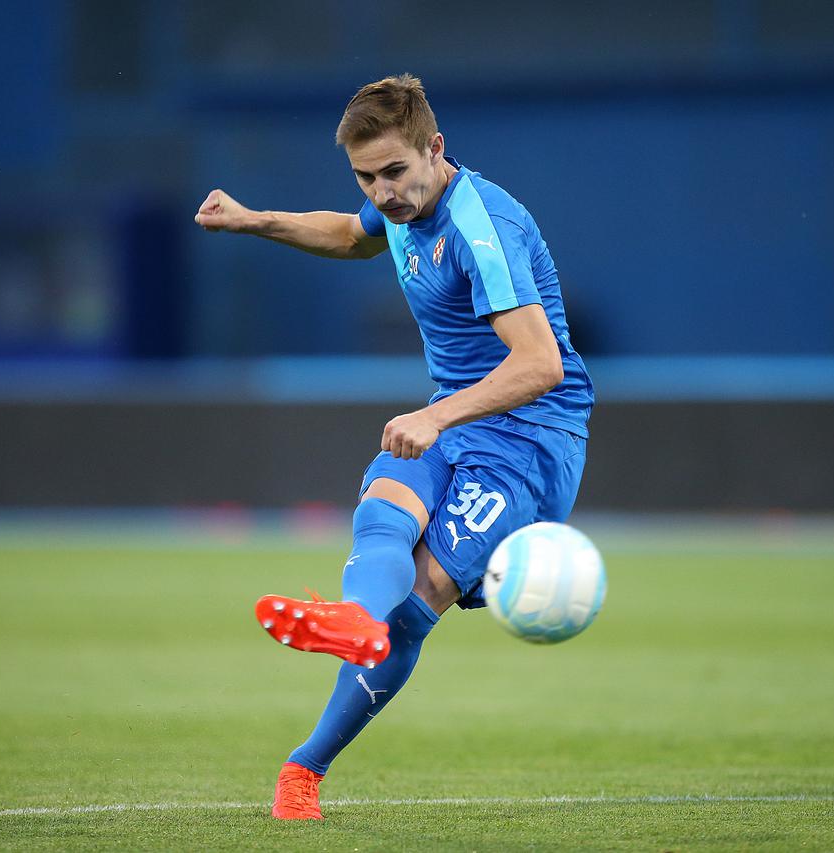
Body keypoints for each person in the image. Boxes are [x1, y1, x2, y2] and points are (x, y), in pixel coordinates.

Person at [194, 74, 594, 820]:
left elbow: (540, 364)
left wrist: (438, 418)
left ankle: (305, 764)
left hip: (530, 436)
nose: (381, 193)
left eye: (394, 173)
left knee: (414, 606)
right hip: (456, 415)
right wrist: (254, 220)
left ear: (435, 150)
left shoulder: (483, 228)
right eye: (365, 177)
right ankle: (354, 620)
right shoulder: (400, 206)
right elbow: (351, 235)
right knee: (383, 512)